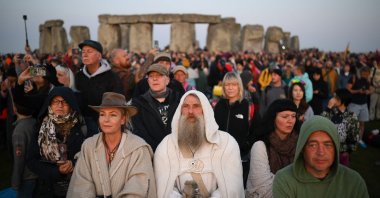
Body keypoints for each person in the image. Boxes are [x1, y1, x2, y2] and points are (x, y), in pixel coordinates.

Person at [154, 90, 244, 198]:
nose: (190, 111)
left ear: (205, 110)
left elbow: (231, 187)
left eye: (196, 106)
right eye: (186, 106)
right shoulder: (166, 146)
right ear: (180, 111)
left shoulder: (226, 143)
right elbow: (164, 189)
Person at [67, 92, 157, 197]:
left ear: (123, 119)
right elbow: (81, 185)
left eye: (113, 114)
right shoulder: (89, 146)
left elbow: (138, 188)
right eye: (102, 114)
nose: (106, 120)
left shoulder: (138, 148)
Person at [273, 116, 369, 198]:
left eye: (328, 145)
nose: (321, 152)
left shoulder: (354, 182)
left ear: (335, 148)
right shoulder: (285, 180)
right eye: (313, 145)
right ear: (302, 148)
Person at [27, 87, 86, 197]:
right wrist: (56, 171)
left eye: (65, 101)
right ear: (49, 104)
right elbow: (31, 160)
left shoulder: (83, 127)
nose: (60, 105)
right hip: (47, 189)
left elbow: (91, 157)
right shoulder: (41, 127)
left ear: (71, 104)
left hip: (77, 188)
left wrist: (73, 164)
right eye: (55, 101)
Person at [246, 99, 298, 198]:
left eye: (293, 116)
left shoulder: (300, 143)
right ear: (273, 118)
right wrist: (296, 185)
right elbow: (262, 188)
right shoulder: (260, 146)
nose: (290, 120)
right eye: (285, 116)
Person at [75, 40, 123, 137]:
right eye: (83, 52)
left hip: (104, 125)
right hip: (81, 125)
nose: (85, 54)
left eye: (89, 51)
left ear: (99, 56)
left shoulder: (112, 77)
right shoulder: (79, 76)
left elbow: (118, 103)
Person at [213, 72, 253, 186]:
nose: (230, 88)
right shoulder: (219, 105)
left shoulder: (247, 105)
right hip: (220, 157)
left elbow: (254, 128)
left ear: (239, 86)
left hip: (241, 157)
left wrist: (246, 145)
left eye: (234, 85)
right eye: (227, 85)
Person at [132, 63, 181, 151]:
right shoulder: (138, 103)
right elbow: (139, 131)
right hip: (150, 152)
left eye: (160, 75)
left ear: (167, 80)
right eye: (151, 76)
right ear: (148, 81)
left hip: (177, 151)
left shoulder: (180, 99)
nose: (155, 78)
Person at [321, 89, 359, 166]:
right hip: (327, 149)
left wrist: (347, 152)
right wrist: (328, 108)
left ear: (343, 100)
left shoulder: (351, 116)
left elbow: (354, 136)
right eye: (333, 96)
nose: (333, 99)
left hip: (342, 152)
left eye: (336, 97)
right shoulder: (330, 112)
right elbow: (321, 123)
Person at [11, 90, 38, 197]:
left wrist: (16, 182)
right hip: (38, 174)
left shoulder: (19, 131)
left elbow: (19, 159)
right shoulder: (35, 122)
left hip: (27, 178)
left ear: (15, 108)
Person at [346, 66, 372, 148]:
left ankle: (359, 140)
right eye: (365, 73)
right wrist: (358, 91)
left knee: (362, 123)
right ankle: (349, 140)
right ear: (361, 72)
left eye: (367, 73)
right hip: (354, 104)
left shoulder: (367, 80)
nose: (366, 75)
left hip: (364, 104)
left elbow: (371, 89)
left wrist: (368, 91)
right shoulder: (354, 78)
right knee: (351, 123)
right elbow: (348, 89)